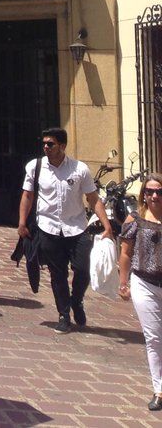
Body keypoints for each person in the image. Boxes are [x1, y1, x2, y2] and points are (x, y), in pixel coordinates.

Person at [18, 127, 112, 333]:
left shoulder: (80, 169)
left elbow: (93, 198)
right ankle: (64, 314)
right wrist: (22, 223)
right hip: (48, 227)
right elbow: (28, 195)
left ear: (62, 145)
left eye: (50, 144)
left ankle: (76, 300)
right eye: (43, 143)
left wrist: (106, 225)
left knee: (83, 268)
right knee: (57, 273)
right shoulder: (35, 167)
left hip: (76, 227)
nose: (45, 147)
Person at [118, 173, 162, 412]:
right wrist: (123, 282)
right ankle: (159, 389)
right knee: (154, 337)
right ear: (143, 194)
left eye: (159, 191)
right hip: (144, 282)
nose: (154, 196)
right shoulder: (135, 218)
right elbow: (125, 252)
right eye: (150, 191)